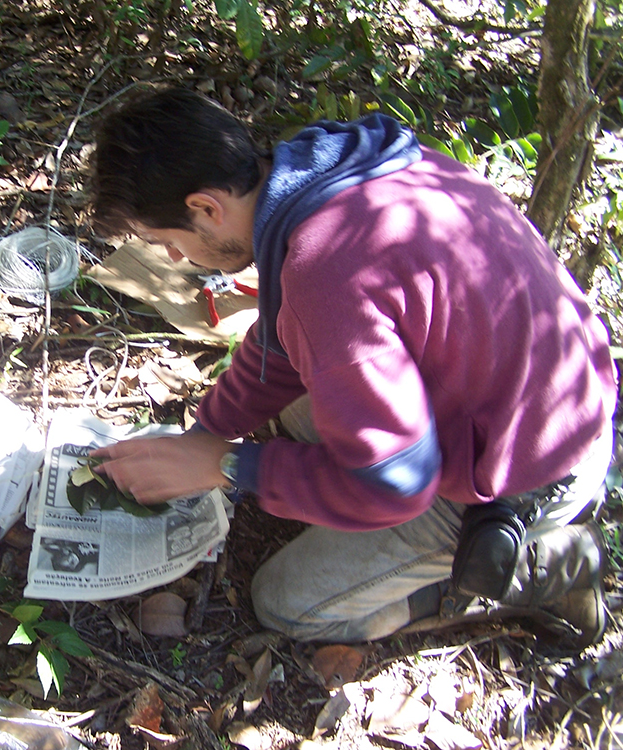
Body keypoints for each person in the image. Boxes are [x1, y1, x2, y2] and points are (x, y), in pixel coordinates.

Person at [86, 87, 617, 651]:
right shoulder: (336, 170)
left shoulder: (324, 269)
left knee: (288, 605)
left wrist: (228, 465)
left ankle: (539, 568)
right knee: (298, 402)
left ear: (206, 208)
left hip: (528, 474)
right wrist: (207, 431)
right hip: (540, 406)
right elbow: (283, 336)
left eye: (166, 242)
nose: (172, 259)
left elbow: (396, 488)